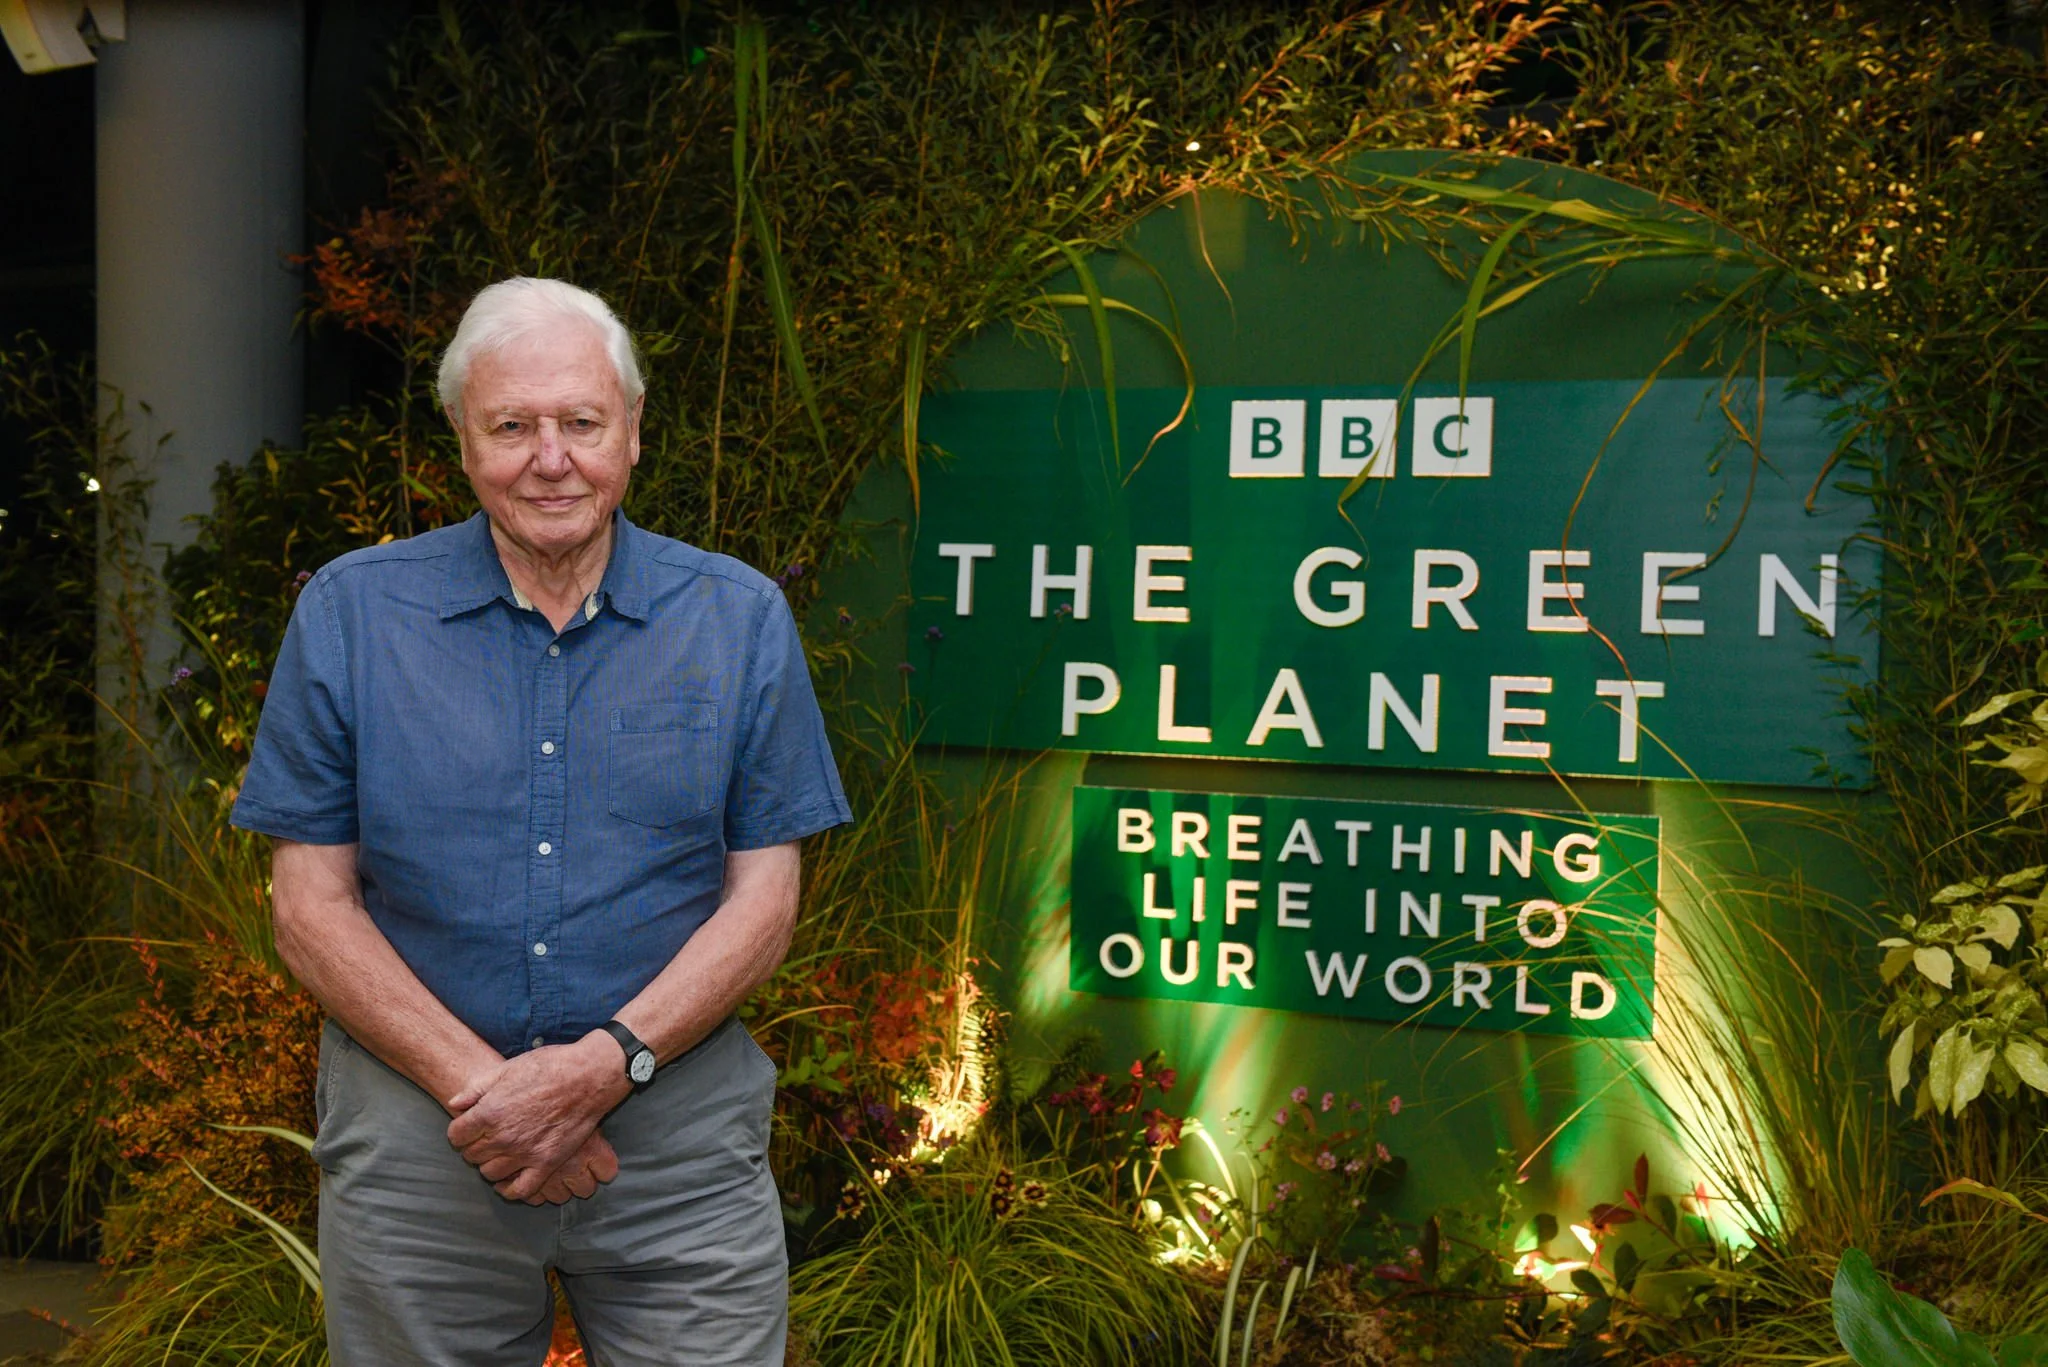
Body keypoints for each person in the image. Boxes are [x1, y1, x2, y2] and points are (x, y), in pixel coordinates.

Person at [230, 276, 851, 1366]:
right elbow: (307, 903)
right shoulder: (351, 612)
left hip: (676, 1145)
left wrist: (604, 1066)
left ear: (634, 430)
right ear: (462, 441)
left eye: (579, 421)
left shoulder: (739, 617)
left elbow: (766, 895)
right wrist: (491, 1094)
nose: (548, 456)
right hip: (424, 1144)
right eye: (510, 425)